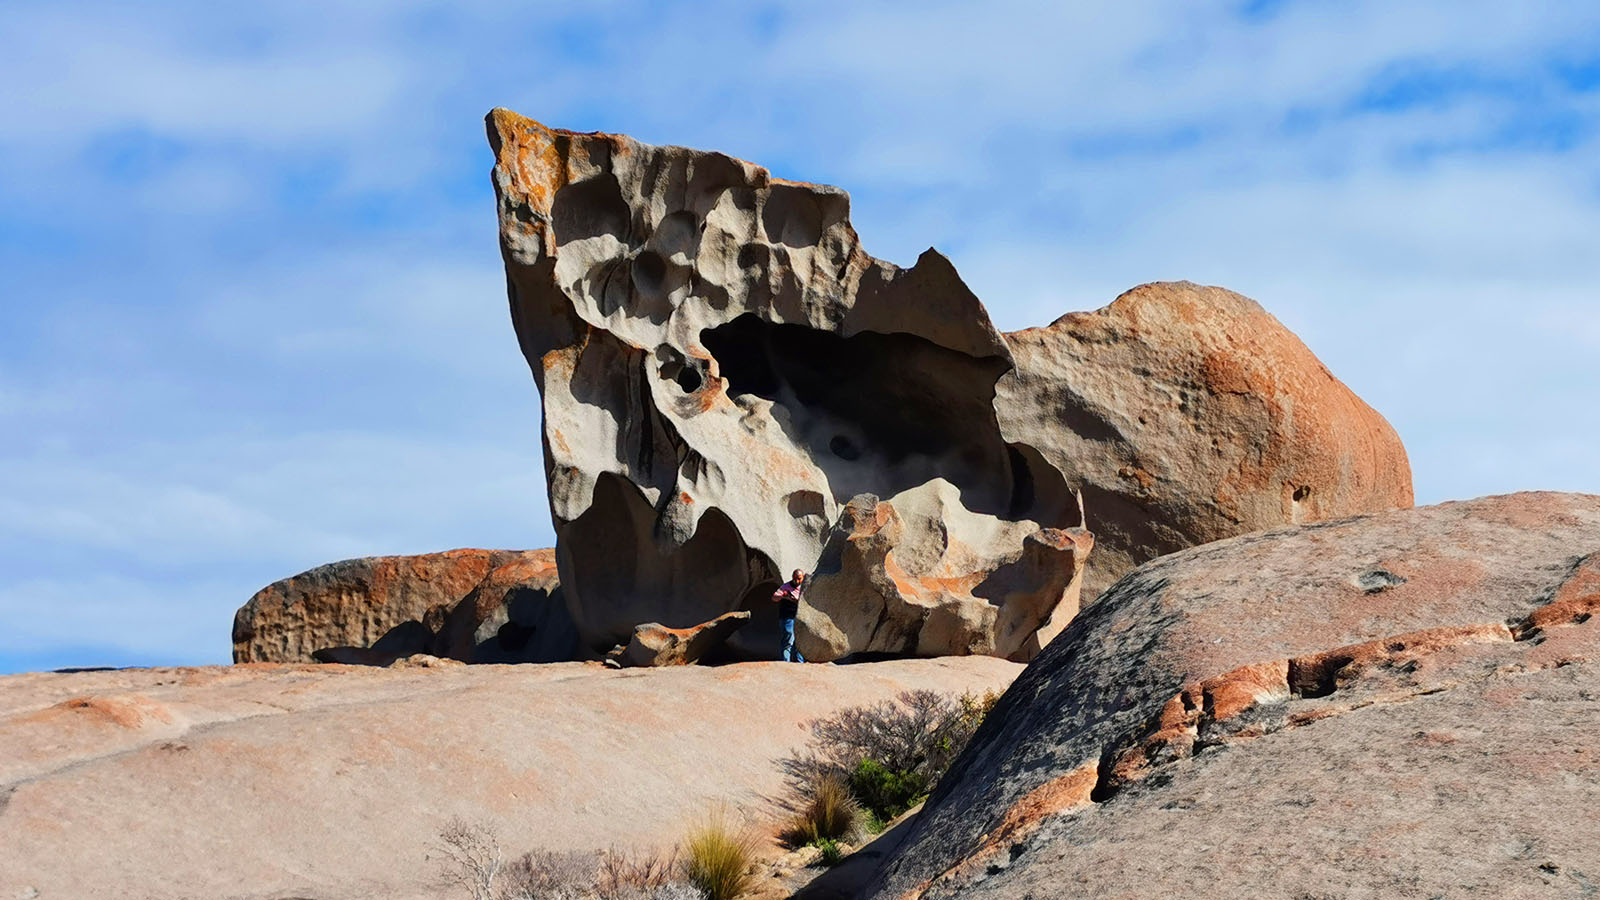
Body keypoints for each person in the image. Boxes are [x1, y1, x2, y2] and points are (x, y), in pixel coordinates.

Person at [771, 569, 808, 663]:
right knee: (788, 639)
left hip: (799, 617)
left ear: (803, 578)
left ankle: (800, 662)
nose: (797, 581)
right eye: (795, 578)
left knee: (799, 642)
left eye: (799, 579)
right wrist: (784, 595)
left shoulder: (804, 587)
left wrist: (795, 600)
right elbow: (774, 597)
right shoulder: (786, 586)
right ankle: (786, 662)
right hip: (788, 617)